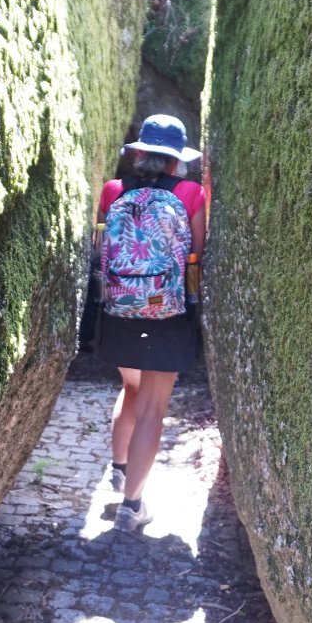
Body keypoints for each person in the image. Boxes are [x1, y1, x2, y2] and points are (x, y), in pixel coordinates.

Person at [95, 114, 207, 532]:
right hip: (168, 311)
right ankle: (132, 506)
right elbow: (195, 254)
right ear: (176, 159)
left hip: (119, 308)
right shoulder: (190, 193)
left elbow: (102, 248)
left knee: (130, 388)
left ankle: (119, 469)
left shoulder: (113, 191)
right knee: (153, 410)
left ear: (139, 153)